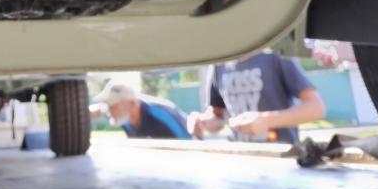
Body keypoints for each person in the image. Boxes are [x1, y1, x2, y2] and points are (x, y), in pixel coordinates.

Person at [188, 51, 325, 144]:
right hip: (244, 160)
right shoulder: (218, 64)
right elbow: (217, 117)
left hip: (282, 159)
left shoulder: (275, 54)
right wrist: (202, 121)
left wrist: (265, 120)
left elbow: (316, 108)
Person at [89, 80, 191, 139]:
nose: (108, 110)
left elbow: (187, 141)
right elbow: (98, 111)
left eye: (113, 106)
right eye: (107, 105)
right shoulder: (122, 116)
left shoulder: (160, 114)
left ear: (132, 103)